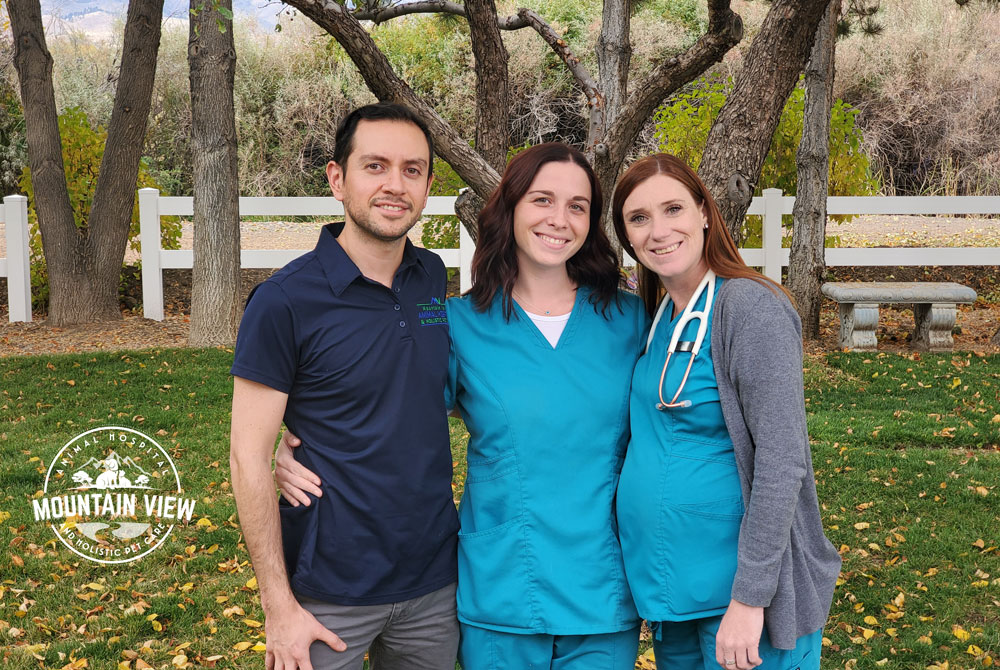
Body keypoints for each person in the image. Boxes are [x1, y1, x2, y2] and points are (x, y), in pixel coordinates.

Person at [276, 143, 648, 670]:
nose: (559, 220)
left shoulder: (631, 321)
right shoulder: (458, 323)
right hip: (502, 586)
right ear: (512, 207)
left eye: (577, 205)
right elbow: (392, 407)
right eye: (542, 199)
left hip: (603, 589)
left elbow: (677, 426)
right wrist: (292, 447)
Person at [229, 102, 459, 670]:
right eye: (375, 166)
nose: (395, 185)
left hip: (434, 581)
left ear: (429, 185)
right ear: (338, 177)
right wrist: (277, 606)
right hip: (328, 588)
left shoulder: (430, 275)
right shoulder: (283, 302)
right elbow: (247, 457)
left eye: (412, 170)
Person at [610, 154, 841, 670]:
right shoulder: (659, 317)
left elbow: (783, 463)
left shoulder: (748, 308)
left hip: (737, 603)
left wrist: (750, 599)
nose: (659, 230)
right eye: (639, 218)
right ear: (626, 237)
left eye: (673, 209)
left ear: (705, 214)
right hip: (674, 596)